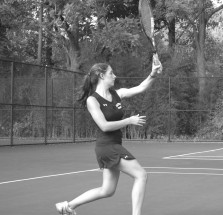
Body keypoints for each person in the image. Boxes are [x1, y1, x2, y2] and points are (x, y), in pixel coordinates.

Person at [55, 54, 162, 215]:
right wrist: (128, 121)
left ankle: (67, 206)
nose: (115, 76)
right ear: (101, 75)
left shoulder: (117, 94)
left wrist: (153, 74)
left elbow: (140, 87)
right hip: (106, 147)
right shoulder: (93, 101)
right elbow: (104, 126)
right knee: (141, 175)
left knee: (107, 190)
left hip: (114, 145)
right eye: (111, 73)